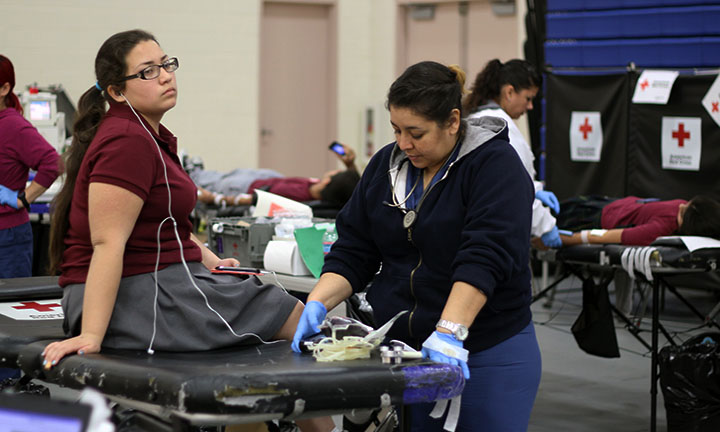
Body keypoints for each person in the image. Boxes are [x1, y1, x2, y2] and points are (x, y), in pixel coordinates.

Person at [41, 30, 334, 432]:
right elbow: (108, 242)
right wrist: (91, 334)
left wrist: (212, 261)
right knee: (289, 313)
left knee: (269, 326)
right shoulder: (126, 141)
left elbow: (167, 224)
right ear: (117, 91)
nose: (165, 76)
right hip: (128, 296)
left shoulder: (149, 136)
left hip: (155, 282)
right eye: (148, 71)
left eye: (166, 64)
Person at [291, 61, 541, 431]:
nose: (404, 144)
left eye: (416, 132)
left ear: (453, 121)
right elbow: (355, 248)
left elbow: (485, 257)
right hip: (410, 352)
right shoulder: (385, 167)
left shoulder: (495, 166)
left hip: (486, 348)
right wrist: (316, 302)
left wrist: (449, 332)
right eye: (396, 130)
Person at [464, 59, 562, 248]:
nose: (530, 106)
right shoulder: (502, 129)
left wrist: (536, 190)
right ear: (509, 92)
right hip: (497, 235)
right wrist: (547, 226)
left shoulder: (474, 120)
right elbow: (516, 190)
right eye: (528, 98)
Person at [0, 54, 61, 278]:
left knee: (6, 309)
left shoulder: (14, 127)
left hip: (6, 236)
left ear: (4, 88)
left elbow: (53, 163)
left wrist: (23, 198)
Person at [194, 143, 360, 208]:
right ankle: (196, 172)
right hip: (268, 178)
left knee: (218, 182)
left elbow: (252, 200)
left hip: (248, 189)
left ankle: (192, 176)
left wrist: (214, 198)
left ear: (328, 182)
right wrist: (350, 164)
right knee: (226, 174)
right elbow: (354, 190)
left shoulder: (297, 199)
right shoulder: (323, 189)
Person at [548, 195, 720, 247]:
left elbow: (605, 236)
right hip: (607, 205)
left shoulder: (659, 229)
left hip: (592, 218)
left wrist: (564, 239)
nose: (682, 205)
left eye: (685, 210)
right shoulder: (683, 206)